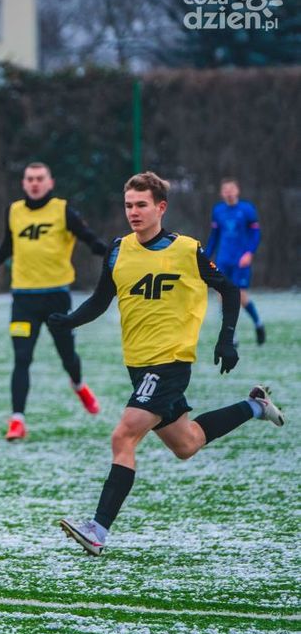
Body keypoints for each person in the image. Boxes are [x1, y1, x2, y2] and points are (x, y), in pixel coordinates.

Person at [51, 172, 284, 556]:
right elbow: (100, 300)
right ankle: (255, 405)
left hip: (170, 362)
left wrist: (226, 338)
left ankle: (98, 530)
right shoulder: (117, 250)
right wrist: (69, 321)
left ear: (161, 207)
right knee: (187, 443)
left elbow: (227, 288)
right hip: (139, 365)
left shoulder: (187, 250)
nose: (134, 212)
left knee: (123, 436)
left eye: (141, 205)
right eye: (128, 205)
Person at [0, 162, 108, 442]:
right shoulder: (15, 211)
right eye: (30, 179)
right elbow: (8, 245)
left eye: (40, 178)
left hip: (56, 297)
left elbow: (88, 238)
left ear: (50, 182)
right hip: (23, 298)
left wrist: (106, 251)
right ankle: (17, 421)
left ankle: (79, 385)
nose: (35, 183)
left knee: (67, 356)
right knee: (22, 358)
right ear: (24, 183)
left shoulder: (62, 210)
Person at [205, 177, 265, 345]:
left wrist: (249, 253)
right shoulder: (218, 211)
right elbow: (214, 237)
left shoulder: (247, 209)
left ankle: (258, 324)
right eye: (225, 190)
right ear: (221, 193)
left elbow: (255, 234)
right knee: (221, 296)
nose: (228, 192)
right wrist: (205, 256)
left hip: (240, 261)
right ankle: (232, 336)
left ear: (237, 190)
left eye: (231, 189)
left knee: (241, 297)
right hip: (223, 260)